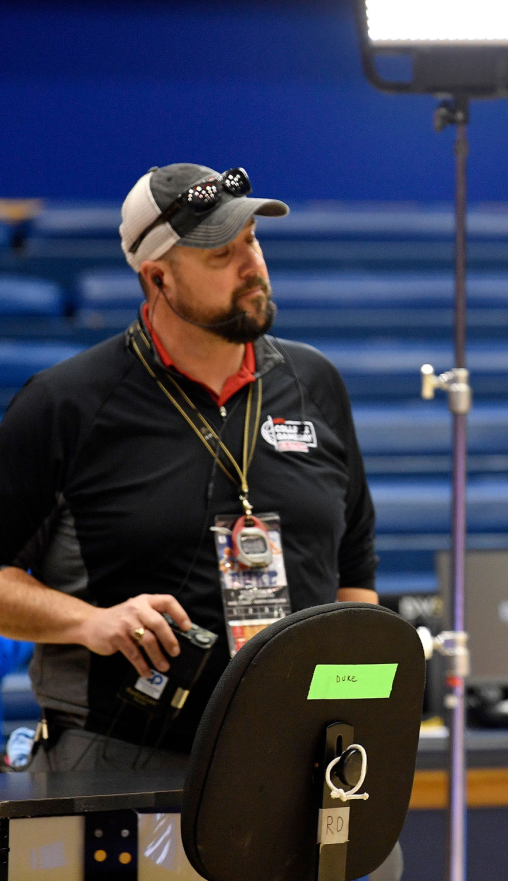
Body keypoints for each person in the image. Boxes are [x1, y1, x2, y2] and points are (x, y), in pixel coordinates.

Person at [0, 163, 379, 771]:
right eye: (220, 254)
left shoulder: (315, 382)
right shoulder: (65, 404)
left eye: (252, 239)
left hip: (299, 758)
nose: (252, 266)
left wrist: (352, 709)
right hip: (120, 757)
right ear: (158, 277)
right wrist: (92, 623)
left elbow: (353, 568)